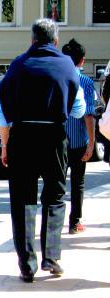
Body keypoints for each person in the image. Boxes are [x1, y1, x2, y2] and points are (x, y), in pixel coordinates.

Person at [0, 18, 85, 283]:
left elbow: (2, 109)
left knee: (23, 199)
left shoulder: (18, 65)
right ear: (56, 41)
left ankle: (27, 264)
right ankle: (51, 257)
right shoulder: (67, 66)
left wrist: (4, 145)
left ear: (32, 40)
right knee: (55, 196)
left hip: (22, 135)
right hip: (54, 137)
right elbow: (79, 109)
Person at [62, 38, 95, 235]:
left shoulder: (56, 78)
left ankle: (52, 220)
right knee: (77, 182)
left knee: (55, 182)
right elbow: (88, 115)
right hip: (78, 142)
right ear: (82, 61)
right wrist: (91, 142)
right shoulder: (86, 82)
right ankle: (75, 222)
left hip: (57, 141)